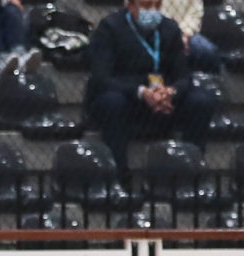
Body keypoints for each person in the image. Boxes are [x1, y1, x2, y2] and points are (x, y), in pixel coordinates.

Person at [85, 0, 216, 172]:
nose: (153, 11)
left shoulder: (170, 28)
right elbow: (102, 78)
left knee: (201, 100)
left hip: (163, 100)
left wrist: (172, 91)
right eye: (147, 6)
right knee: (112, 102)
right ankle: (120, 178)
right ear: (130, 5)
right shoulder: (110, 28)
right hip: (127, 98)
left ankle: (191, 172)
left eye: (157, 5)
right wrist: (140, 92)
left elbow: (184, 76)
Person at [164, 0, 221, 73]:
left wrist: (185, 34)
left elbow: (195, 13)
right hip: (157, 27)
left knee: (209, 52)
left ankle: (208, 80)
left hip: (183, 31)